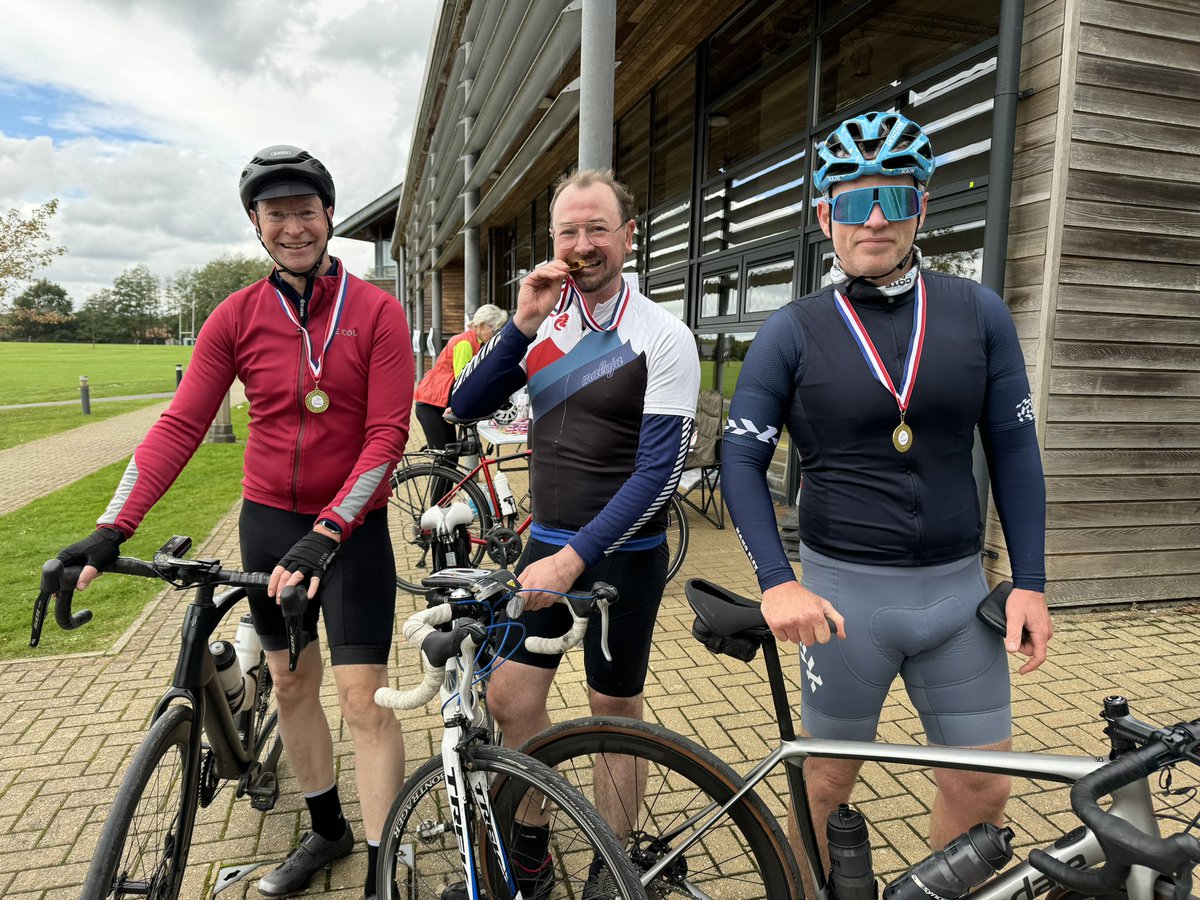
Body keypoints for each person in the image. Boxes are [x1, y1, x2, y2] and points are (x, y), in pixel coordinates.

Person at [55, 145, 413, 900]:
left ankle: (385, 865)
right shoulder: (236, 316)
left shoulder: (378, 312)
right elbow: (181, 426)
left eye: (306, 212)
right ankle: (327, 831)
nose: (293, 227)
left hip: (348, 535)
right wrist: (111, 526)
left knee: (363, 699)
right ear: (257, 224)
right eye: (276, 214)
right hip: (270, 523)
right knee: (289, 687)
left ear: (328, 217)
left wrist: (330, 532)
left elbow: (387, 437)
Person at [721, 112, 1053, 876]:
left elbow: (1014, 450)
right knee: (828, 783)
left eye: (895, 200)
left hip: (958, 595)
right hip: (842, 603)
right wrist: (777, 581)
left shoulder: (978, 313)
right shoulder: (793, 329)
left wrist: (1030, 581)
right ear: (824, 215)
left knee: (983, 788)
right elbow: (738, 458)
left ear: (922, 209)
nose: (875, 218)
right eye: (855, 199)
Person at [450, 168, 700, 894]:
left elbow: (657, 476)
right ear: (553, 242)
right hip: (548, 542)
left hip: (625, 555)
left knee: (612, 712)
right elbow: (467, 403)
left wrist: (573, 560)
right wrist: (522, 324)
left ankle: (611, 863)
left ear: (628, 236)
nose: (583, 244)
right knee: (510, 697)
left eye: (598, 229)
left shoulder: (662, 336)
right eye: (569, 231)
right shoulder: (543, 326)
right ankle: (532, 843)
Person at [412, 303, 508, 454]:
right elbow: (463, 381)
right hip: (430, 405)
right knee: (445, 458)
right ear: (482, 325)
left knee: (450, 458)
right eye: (495, 330)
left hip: (440, 404)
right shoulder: (465, 343)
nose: (496, 334)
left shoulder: (480, 344)